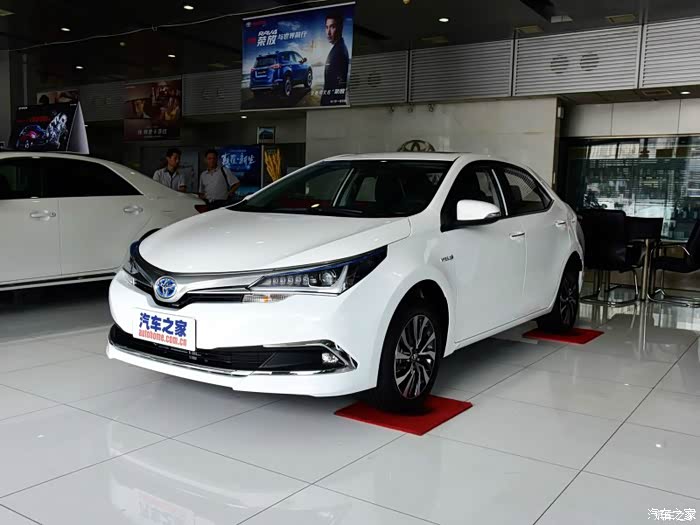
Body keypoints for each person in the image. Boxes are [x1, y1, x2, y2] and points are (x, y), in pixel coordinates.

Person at [321, 11, 350, 106]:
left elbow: (337, 86)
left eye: (332, 27)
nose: (328, 32)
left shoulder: (339, 51)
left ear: (340, 28)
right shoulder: (339, 48)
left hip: (330, 106)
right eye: (327, 27)